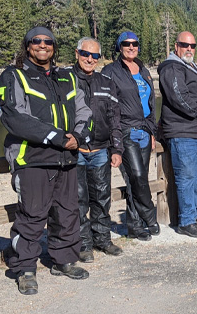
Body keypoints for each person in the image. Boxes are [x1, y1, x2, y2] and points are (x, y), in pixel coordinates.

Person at [0, 27, 93, 295]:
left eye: (48, 41)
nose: (42, 45)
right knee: (31, 215)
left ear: (54, 46)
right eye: (36, 41)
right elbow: (14, 117)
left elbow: (84, 110)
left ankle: (64, 260)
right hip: (33, 158)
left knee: (67, 212)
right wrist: (58, 137)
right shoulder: (13, 76)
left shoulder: (67, 77)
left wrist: (78, 136)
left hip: (66, 158)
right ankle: (24, 269)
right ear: (27, 46)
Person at [69, 37, 124, 263]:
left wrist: (117, 148)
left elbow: (115, 118)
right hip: (75, 150)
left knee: (102, 198)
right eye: (85, 54)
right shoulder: (65, 79)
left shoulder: (106, 82)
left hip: (100, 149)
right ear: (77, 53)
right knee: (79, 200)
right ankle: (83, 244)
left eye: (95, 56)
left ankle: (102, 238)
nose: (90, 59)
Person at [101, 32, 159, 242]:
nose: (131, 47)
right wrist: (113, 137)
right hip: (124, 129)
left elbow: (151, 103)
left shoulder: (143, 70)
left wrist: (152, 131)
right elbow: (106, 105)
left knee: (139, 179)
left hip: (144, 130)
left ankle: (135, 225)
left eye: (135, 43)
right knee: (136, 176)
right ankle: (148, 216)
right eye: (126, 44)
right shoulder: (110, 71)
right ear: (119, 47)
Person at [157, 31, 197, 238]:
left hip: (194, 133)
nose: (189, 48)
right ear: (176, 45)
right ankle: (186, 221)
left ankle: (192, 216)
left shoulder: (185, 66)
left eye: (193, 45)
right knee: (186, 177)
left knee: (192, 176)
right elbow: (178, 96)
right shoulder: (172, 67)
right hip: (183, 132)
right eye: (185, 45)